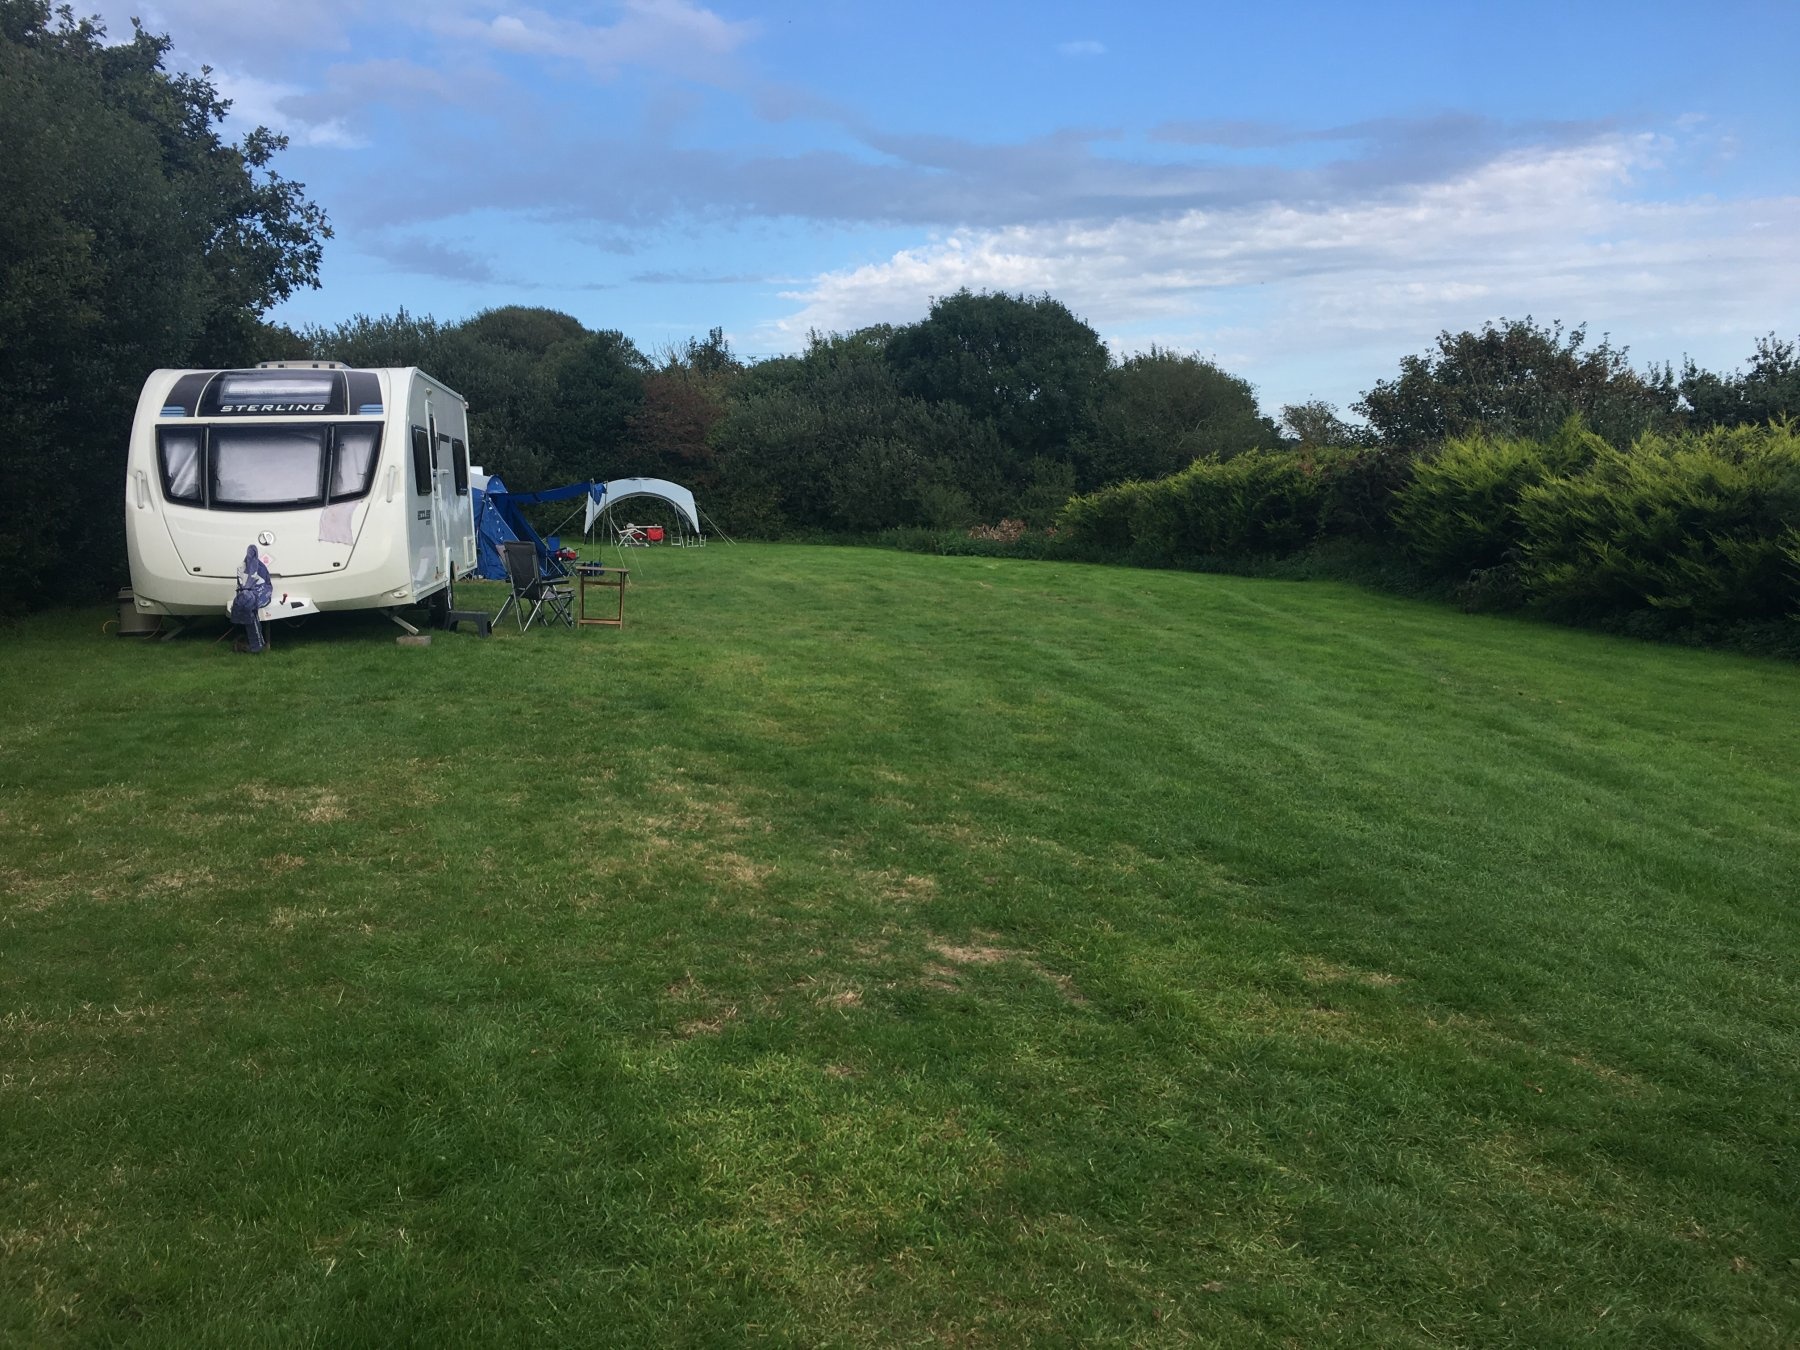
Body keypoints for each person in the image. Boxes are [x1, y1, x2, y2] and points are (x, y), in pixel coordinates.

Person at [229, 544, 274, 653]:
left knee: (249, 607)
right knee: (247, 606)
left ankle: (254, 644)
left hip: (254, 595)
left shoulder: (257, 567)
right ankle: (254, 645)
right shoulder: (244, 567)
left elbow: (265, 585)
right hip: (249, 596)